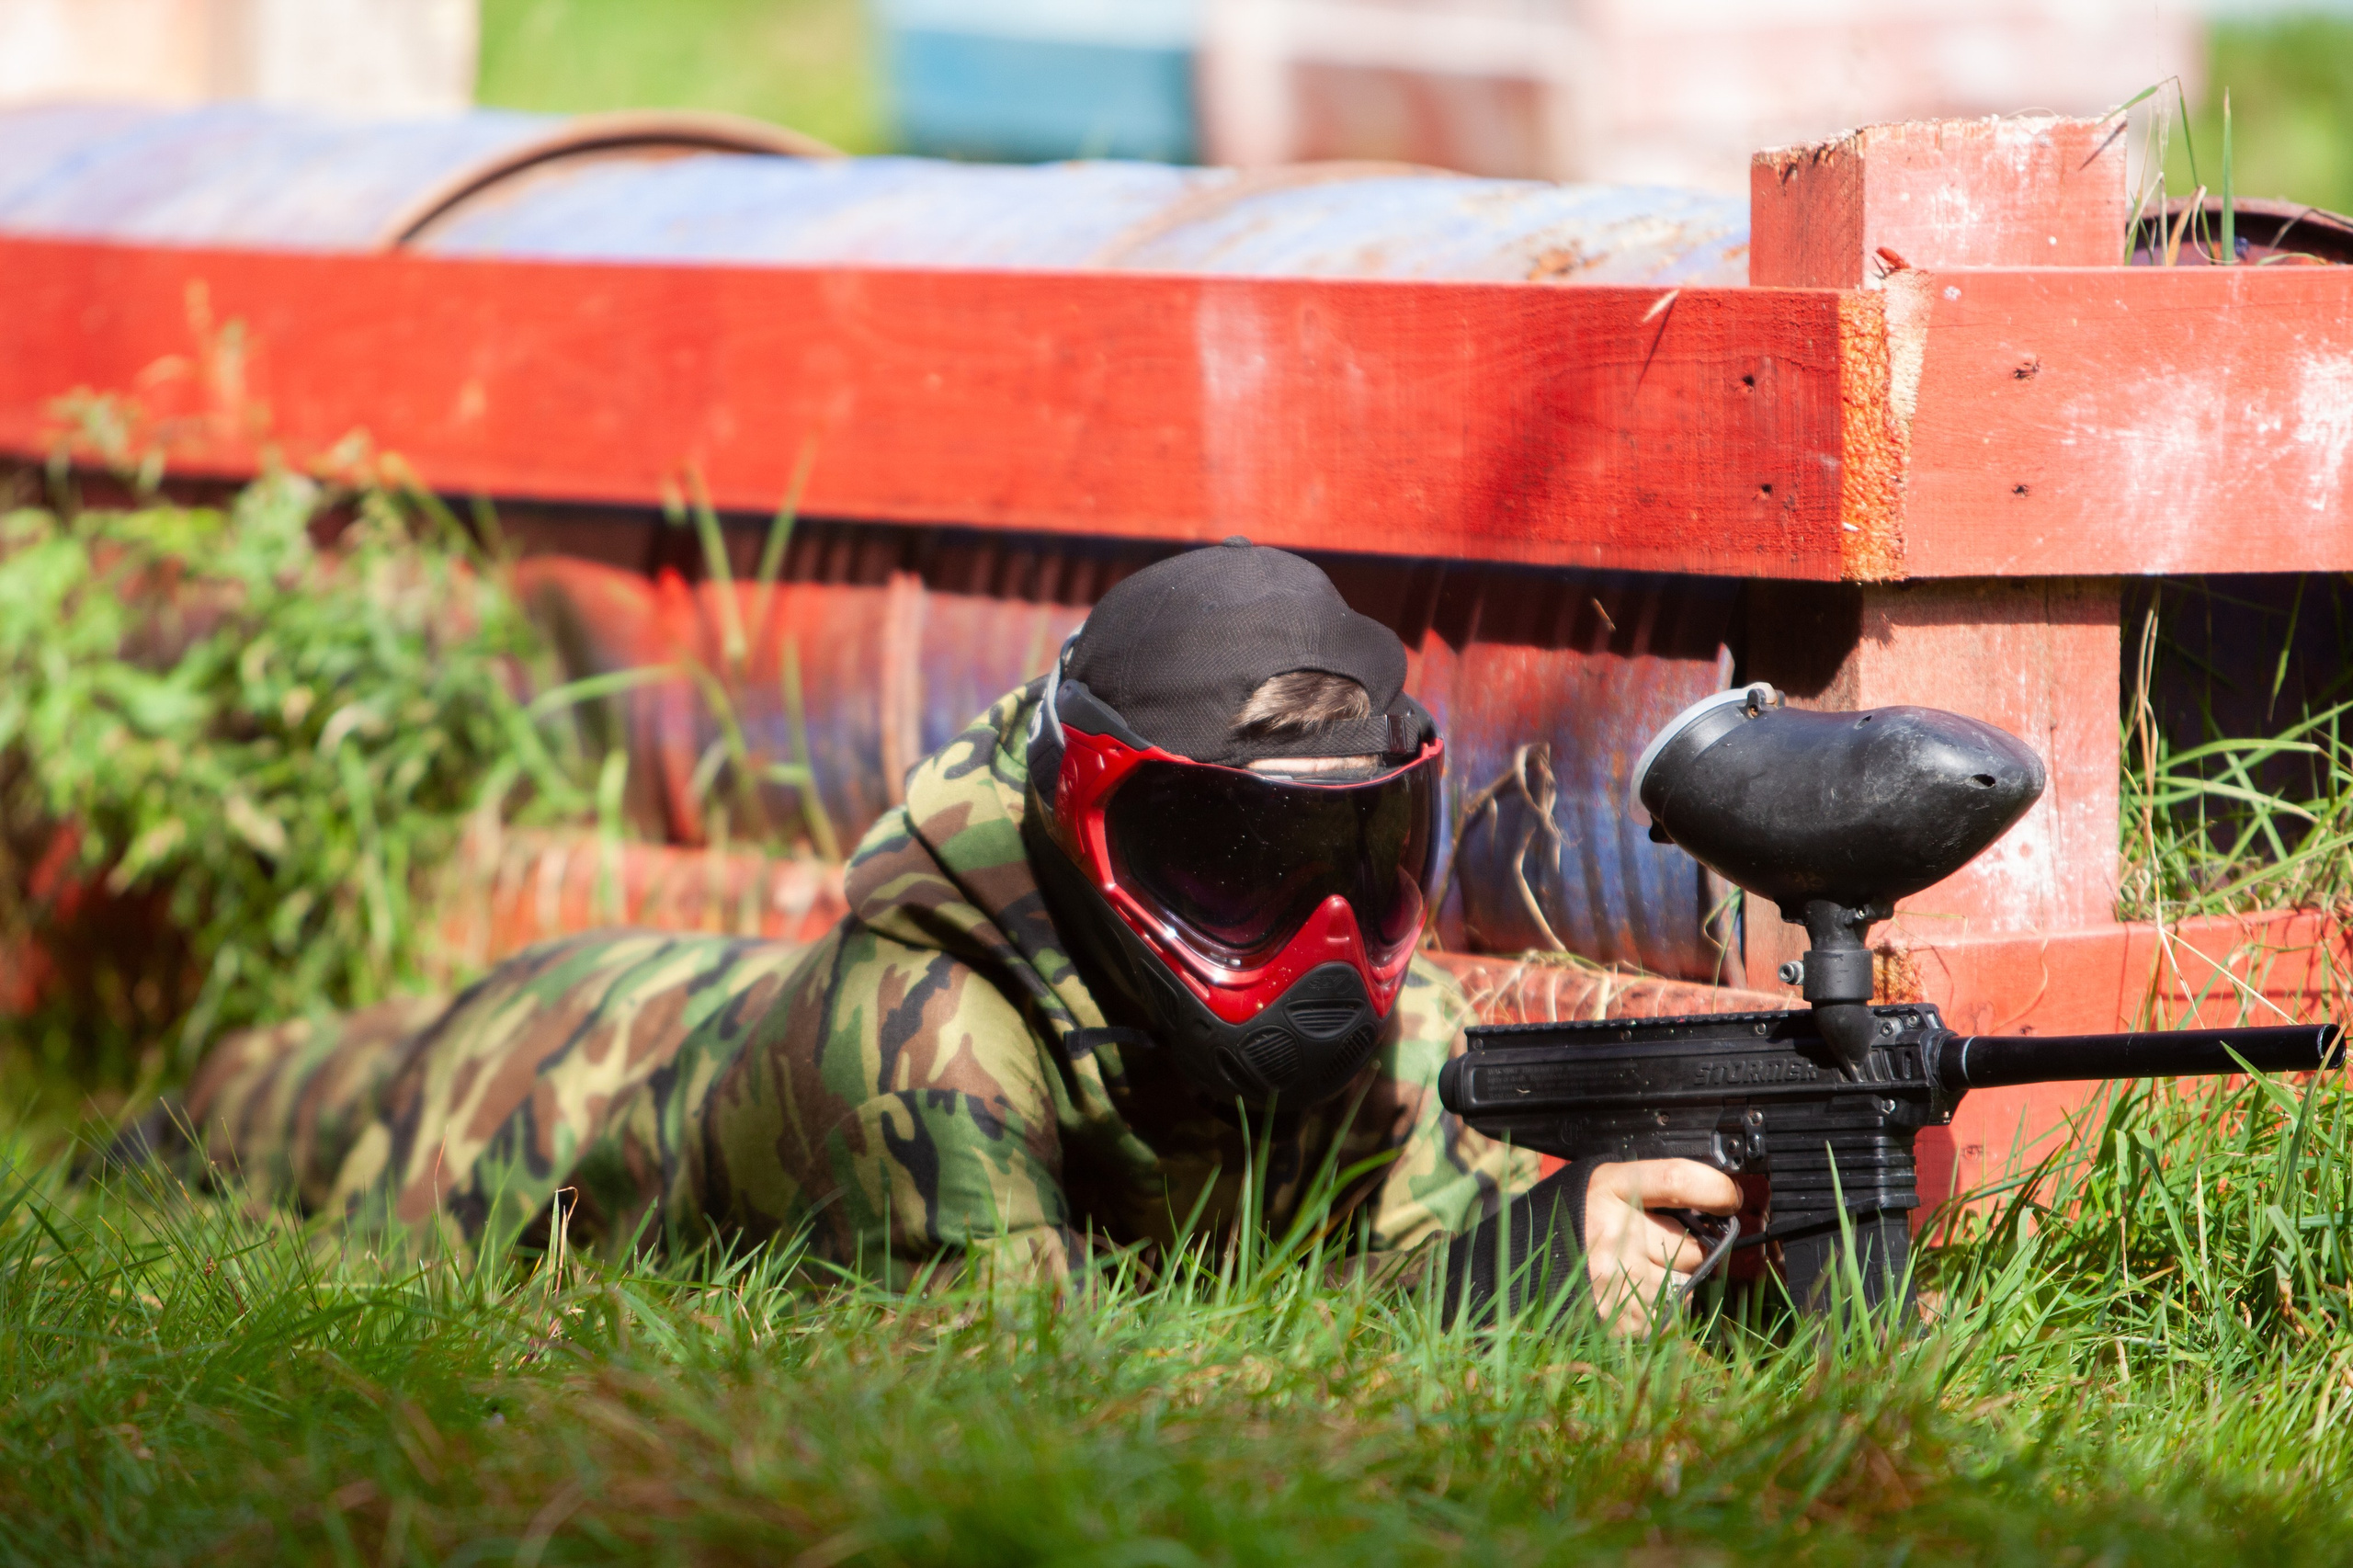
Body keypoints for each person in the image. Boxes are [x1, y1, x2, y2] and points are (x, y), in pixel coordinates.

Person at [183, 540, 1737, 1330]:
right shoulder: (927, 1033)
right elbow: (1025, 1392)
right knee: (256, 1113)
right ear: (1089, 825)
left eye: (1357, 848)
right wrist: (1484, 1303)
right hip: (562, 1075)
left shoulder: (1369, 1005)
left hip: (726, 1013)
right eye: (1238, 856)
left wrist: (1558, 1254)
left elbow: (1411, 1265)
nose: (1320, 925)